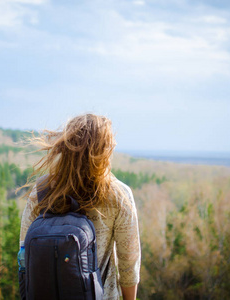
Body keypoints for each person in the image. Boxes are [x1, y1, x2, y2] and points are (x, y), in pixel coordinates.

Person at [19, 113, 141, 300]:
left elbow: (24, 255)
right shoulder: (118, 195)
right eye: (109, 143)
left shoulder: (41, 190)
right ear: (100, 151)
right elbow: (128, 266)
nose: (114, 146)